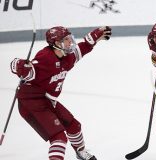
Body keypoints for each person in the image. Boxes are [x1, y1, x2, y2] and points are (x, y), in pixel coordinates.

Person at [10, 26, 111, 160]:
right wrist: (19, 66)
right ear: (57, 43)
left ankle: (80, 152)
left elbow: (83, 48)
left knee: (74, 126)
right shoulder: (45, 58)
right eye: (66, 39)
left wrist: (95, 37)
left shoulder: (67, 56)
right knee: (59, 138)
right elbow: (25, 70)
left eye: (70, 38)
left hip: (47, 99)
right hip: (31, 103)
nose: (70, 42)